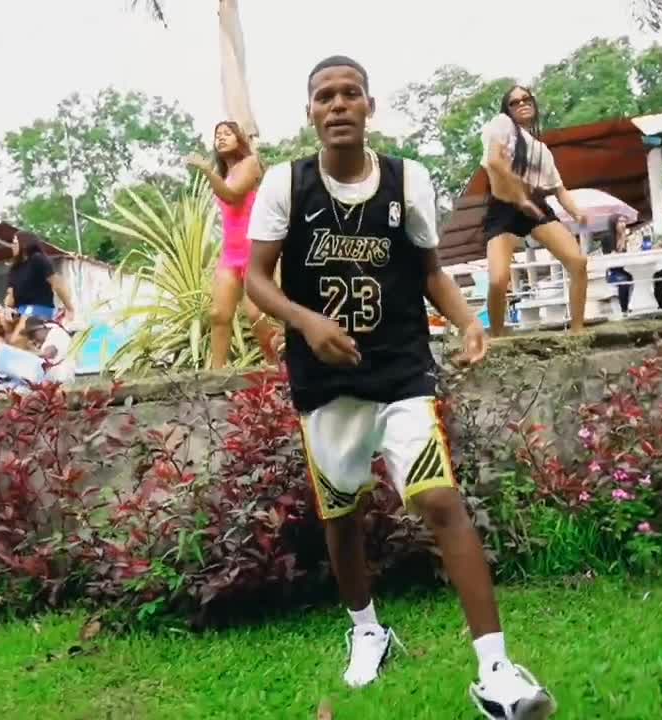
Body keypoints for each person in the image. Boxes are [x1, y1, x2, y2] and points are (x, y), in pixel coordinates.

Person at [244, 55, 556, 720]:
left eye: (349, 93)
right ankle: (367, 630)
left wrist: (468, 320)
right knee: (342, 513)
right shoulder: (286, 185)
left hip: (400, 369)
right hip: (325, 378)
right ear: (310, 112)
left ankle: (496, 669)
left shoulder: (407, 179)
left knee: (440, 498)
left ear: (369, 105)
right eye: (324, 96)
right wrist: (306, 322)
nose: (337, 104)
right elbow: (257, 280)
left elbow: (429, 270)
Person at [481, 85, 591, 337]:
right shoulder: (502, 125)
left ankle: (577, 330)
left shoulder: (542, 151)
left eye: (526, 99)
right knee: (498, 279)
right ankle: (497, 336)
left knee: (578, 262)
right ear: (507, 109)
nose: (522, 104)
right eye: (514, 102)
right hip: (504, 209)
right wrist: (520, 197)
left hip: (535, 208)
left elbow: (559, 189)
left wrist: (577, 213)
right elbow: (495, 162)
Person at [185, 120, 279, 368]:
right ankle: (216, 375)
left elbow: (232, 195)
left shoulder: (250, 163)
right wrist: (213, 173)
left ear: (239, 139)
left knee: (256, 315)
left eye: (227, 133)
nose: (221, 137)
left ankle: (277, 365)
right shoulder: (224, 175)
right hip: (230, 255)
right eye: (218, 134)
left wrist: (207, 171)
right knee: (219, 314)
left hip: (254, 252)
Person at [4, 233, 76, 322]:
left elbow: (57, 284)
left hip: (40, 310)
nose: (12, 246)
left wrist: (69, 308)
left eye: (15, 243)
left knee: (24, 320)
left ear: (24, 244)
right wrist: (7, 308)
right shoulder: (14, 269)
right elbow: (10, 295)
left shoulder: (37, 259)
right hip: (21, 311)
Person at [601, 215, 634, 315]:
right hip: (612, 271)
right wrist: (623, 237)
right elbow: (614, 255)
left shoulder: (624, 237)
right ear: (614, 224)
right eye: (620, 222)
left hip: (624, 269)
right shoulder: (607, 238)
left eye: (624, 222)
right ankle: (624, 309)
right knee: (624, 280)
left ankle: (628, 305)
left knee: (632, 277)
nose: (623, 225)